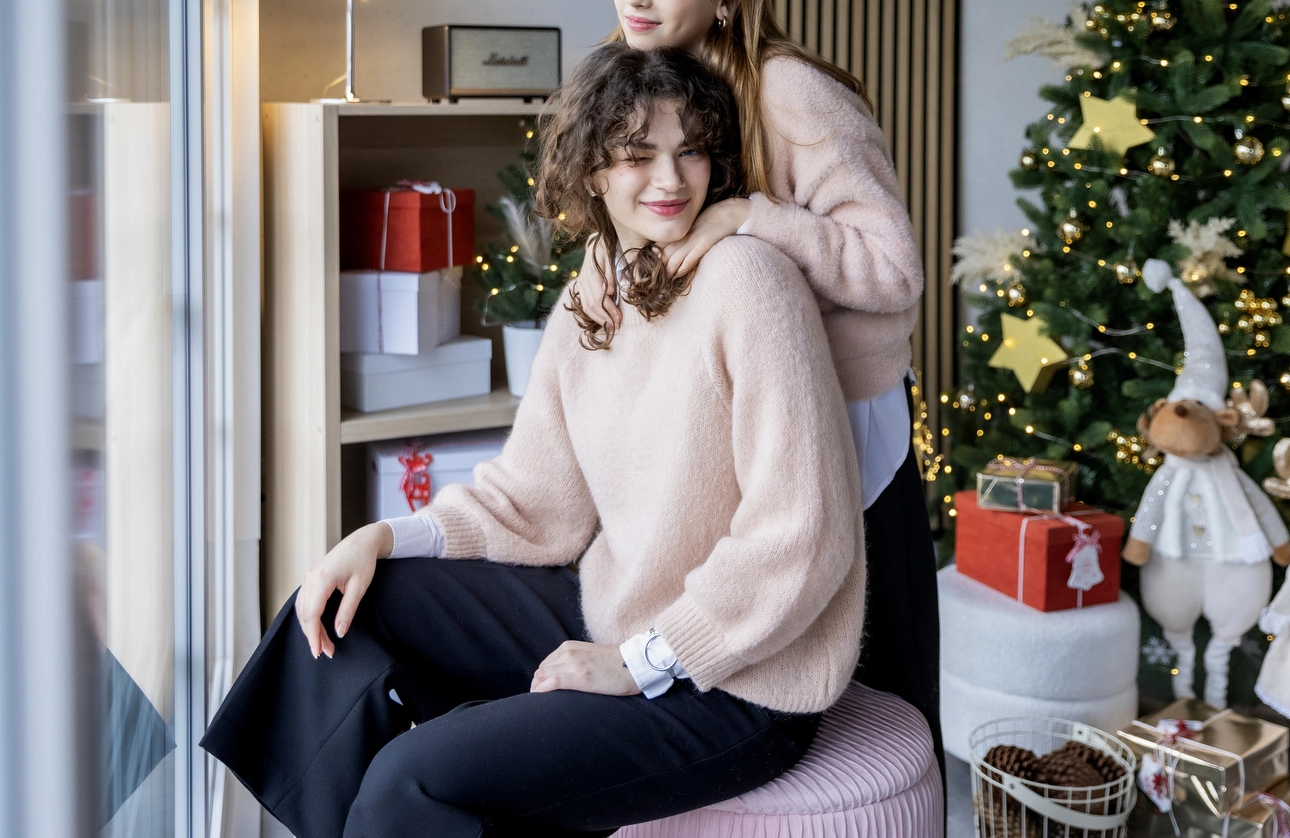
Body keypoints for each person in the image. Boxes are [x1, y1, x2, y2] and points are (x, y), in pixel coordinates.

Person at [202, 45, 866, 837]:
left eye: (690, 151)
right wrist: (380, 536)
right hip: (618, 612)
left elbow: (803, 535)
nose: (670, 179)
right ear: (593, 172)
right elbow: (532, 501)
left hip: (736, 682)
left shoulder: (750, 282)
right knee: (347, 605)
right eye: (638, 155)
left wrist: (639, 660)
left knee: (410, 780)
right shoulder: (599, 289)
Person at [585, 0, 941, 771]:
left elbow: (894, 266)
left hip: (842, 418)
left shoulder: (789, 93)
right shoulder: (641, 81)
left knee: (872, 675)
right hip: (725, 414)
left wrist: (750, 218)